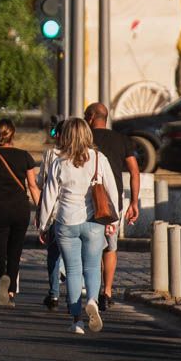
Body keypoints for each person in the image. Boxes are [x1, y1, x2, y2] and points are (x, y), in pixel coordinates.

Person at [36, 117, 119, 335]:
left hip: (66, 223)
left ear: (66, 137)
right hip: (93, 222)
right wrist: (114, 221)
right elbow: (112, 191)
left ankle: (77, 320)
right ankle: (92, 299)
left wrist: (43, 225)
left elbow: (49, 197)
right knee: (92, 267)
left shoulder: (58, 163)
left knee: (73, 270)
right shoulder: (100, 159)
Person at [84, 101, 143, 311]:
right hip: (112, 202)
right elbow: (134, 172)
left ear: (90, 118)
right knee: (110, 247)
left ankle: (91, 288)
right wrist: (134, 202)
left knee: (90, 244)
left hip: (86, 201)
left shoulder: (84, 138)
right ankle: (107, 292)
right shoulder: (122, 140)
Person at [0, 118, 39, 307]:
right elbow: (33, 186)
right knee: (15, 252)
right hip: (20, 209)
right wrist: (41, 211)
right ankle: (11, 291)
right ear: (13, 135)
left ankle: (2, 276)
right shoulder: (25, 156)